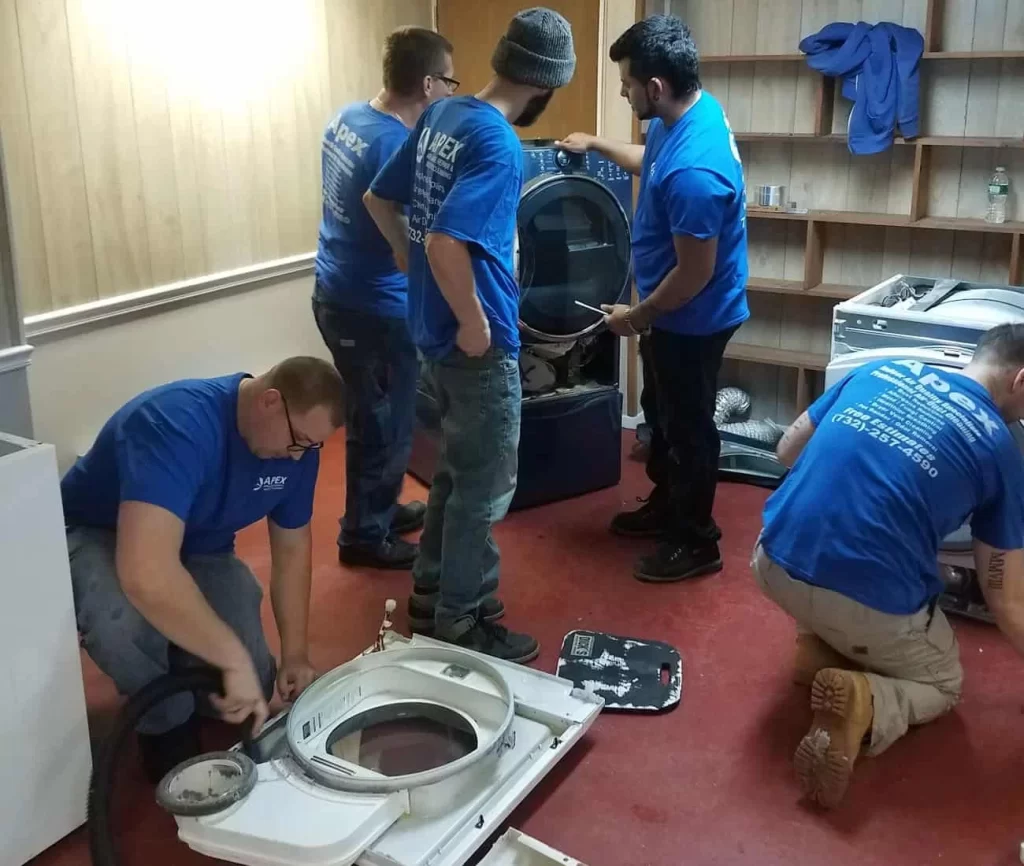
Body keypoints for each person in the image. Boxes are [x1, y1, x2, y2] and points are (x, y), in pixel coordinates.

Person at [363, 7, 576, 663]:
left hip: (429, 334)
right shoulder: (499, 144)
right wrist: (476, 322)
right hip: (473, 345)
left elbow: (379, 197)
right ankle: (462, 621)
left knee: (453, 477)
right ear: (546, 85)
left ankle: (430, 598)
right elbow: (451, 240)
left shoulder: (442, 115)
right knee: (483, 491)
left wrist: (407, 259)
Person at [751, 323, 1024, 808]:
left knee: (891, 574)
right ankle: (865, 702)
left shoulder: (880, 370)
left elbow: (786, 450)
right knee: (944, 683)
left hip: (771, 561)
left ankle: (819, 652)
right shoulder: (1000, 446)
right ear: (1021, 381)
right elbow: (1004, 596)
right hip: (863, 602)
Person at [62, 358, 344, 782]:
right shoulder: (174, 424)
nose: (297, 456)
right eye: (299, 441)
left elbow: (291, 549)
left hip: (200, 544)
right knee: (120, 622)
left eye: (311, 447)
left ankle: (187, 664)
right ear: (270, 402)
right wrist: (228, 660)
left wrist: (296, 654)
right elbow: (146, 572)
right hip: (103, 532)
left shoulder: (296, 450)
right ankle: (163, 720)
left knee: (254, 678)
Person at [556, 15, 749, 583]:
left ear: (655, 88)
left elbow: (694, 274)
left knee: (690, 430)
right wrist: (596, 143)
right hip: (675, 312)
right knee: (665, 419)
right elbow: (651, 164)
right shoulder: (686, 115)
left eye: (626, 83)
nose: (622, 90)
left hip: (694, 315)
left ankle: (696, 541)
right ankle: (668, 507)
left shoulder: (697, 169)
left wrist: (637, 318)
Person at [312, 27, 457, 570]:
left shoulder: (347, 117)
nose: (449, 92)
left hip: (336, 289)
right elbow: (402, 222)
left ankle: (378, 509)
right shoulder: (396, 144)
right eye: (447, 81)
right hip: (372, 306)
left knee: (373, 415)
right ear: (426, 82)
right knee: (385, 423)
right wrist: (414, 266)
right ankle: (364, 538)